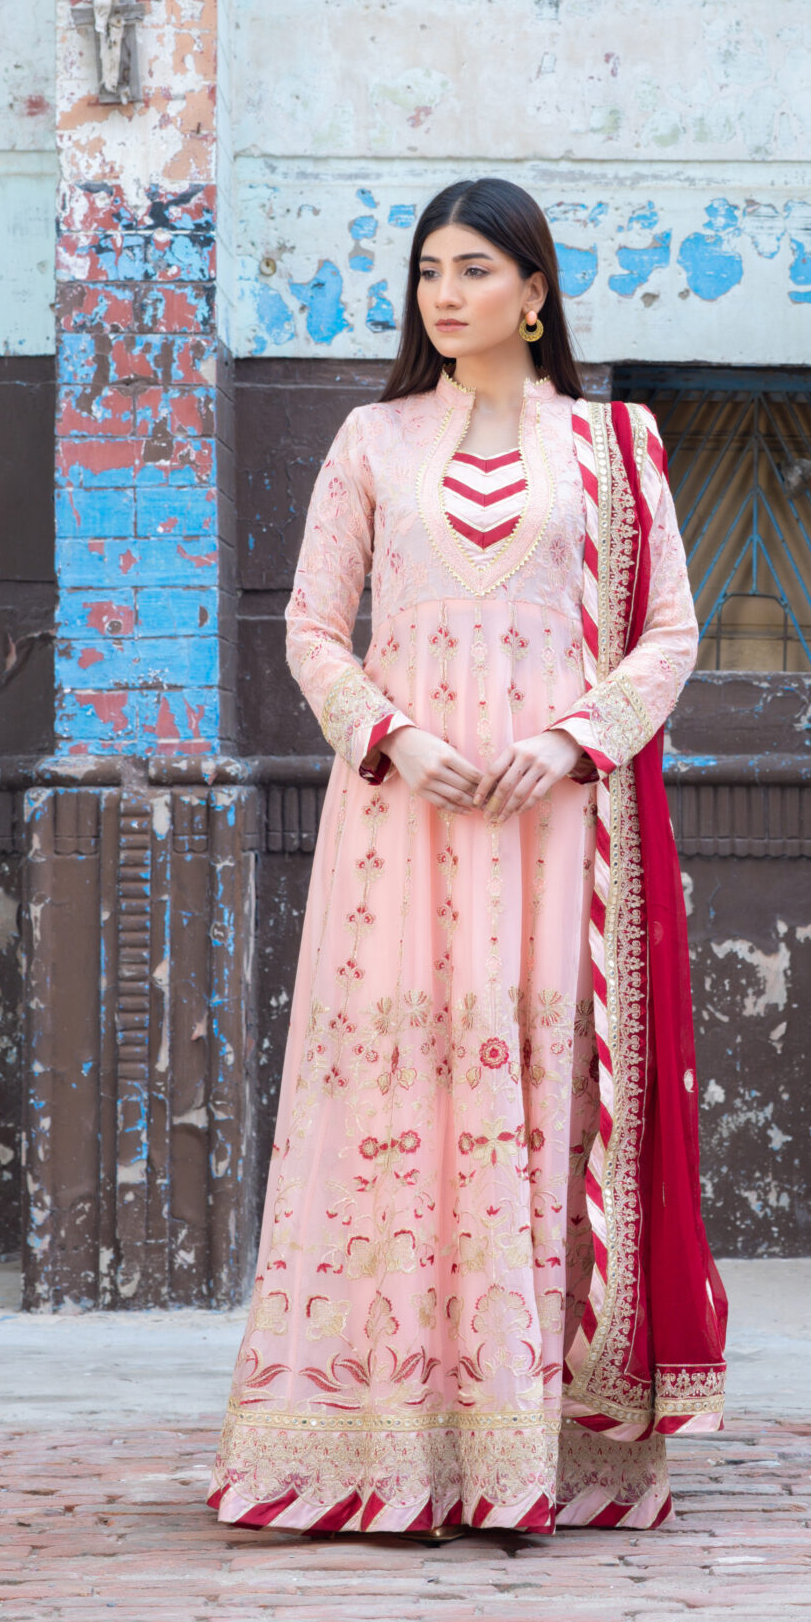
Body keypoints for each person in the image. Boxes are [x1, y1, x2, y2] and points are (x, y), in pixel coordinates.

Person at [209, 177, 727, 1537]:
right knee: (396, 1092)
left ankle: (539, 1451)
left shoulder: (617, 447)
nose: (445, 292)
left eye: (476, 268)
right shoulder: (371, 443)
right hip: (403, 827)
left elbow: (669, 633)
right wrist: (391, 738)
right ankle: (379, 1443)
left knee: (546, 1088)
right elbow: (313, 630)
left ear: (536, 292)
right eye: (429, 269)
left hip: (559, 827)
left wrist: (568, 744)